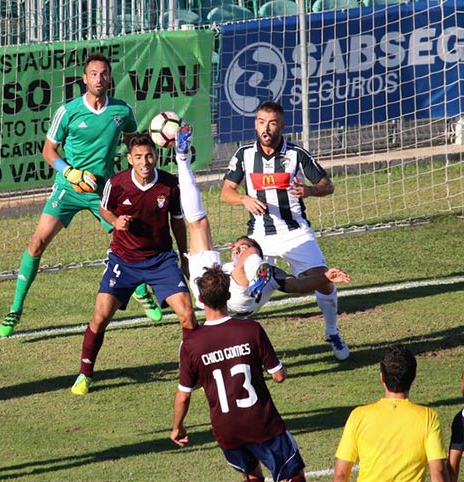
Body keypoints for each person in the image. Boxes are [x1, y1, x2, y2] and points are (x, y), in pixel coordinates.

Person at [0, 52, 160, 338]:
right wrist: (69, 172)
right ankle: (15, 309)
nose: (99, 78)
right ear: (85, 79)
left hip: (103, 190)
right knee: (37, 243)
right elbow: (48, 151)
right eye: (93, 74)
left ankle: (141, 291)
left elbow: (134, 145)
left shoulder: (122, 111)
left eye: (104, 73)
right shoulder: (68, 111)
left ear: (110, 78)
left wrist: (156, 142)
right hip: (69, 188)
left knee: (128, 239)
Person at [170, 264, 306, 482]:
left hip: (226, 428)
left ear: (200, 299)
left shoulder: (191, 344)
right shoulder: (251, 330)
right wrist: (281, 369)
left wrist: (178, 427)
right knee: (295, 476)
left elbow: (184, 395)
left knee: (251, 476)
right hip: (261, 422)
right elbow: (278, 376)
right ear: (229, 295)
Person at [173, 125, 351, 320]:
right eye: (238, 247)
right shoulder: (250, 270)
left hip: (230, 296)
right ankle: (182, 158)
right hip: (220, 290)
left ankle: (256, 273)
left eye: (243, 248)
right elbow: (297, 285)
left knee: (203, 229)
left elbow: (298, 285)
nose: (239, 250)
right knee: (199, 223)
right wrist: (325, 277)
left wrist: (325, 277)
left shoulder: (246, 265)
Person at [220, 101, 349, 360]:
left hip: (295, 232)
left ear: (281, 125)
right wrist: (244, 199)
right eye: (261, 122)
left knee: (324, 281)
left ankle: (332, 332)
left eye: (272, 123)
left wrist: (310, 190)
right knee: (243, 296)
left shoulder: (296, 154)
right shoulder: (244, 154)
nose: (266, 128)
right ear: (255, 124)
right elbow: (226, 192)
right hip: (259, 236)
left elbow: (328, 185)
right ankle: (234, 346)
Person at [70, 133, 196, 395]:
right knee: (100, 317)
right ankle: (85, 374)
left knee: (187, 314)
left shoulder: (170, 184)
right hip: (124, 260)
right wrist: (115, 221)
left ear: (156, 156)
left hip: (161, 260)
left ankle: (192, 371)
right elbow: (104, 209)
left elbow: (177, 221)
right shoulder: (116, 184)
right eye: (138, 157)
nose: (144, 162)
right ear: (129, 159)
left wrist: (185, 256)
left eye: (149, 156)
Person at [331, 345, 454, 482]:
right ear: (413, 377)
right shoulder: (428, 418)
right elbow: (437, 472)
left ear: (382, 377)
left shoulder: (359, 416)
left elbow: (341, 473)